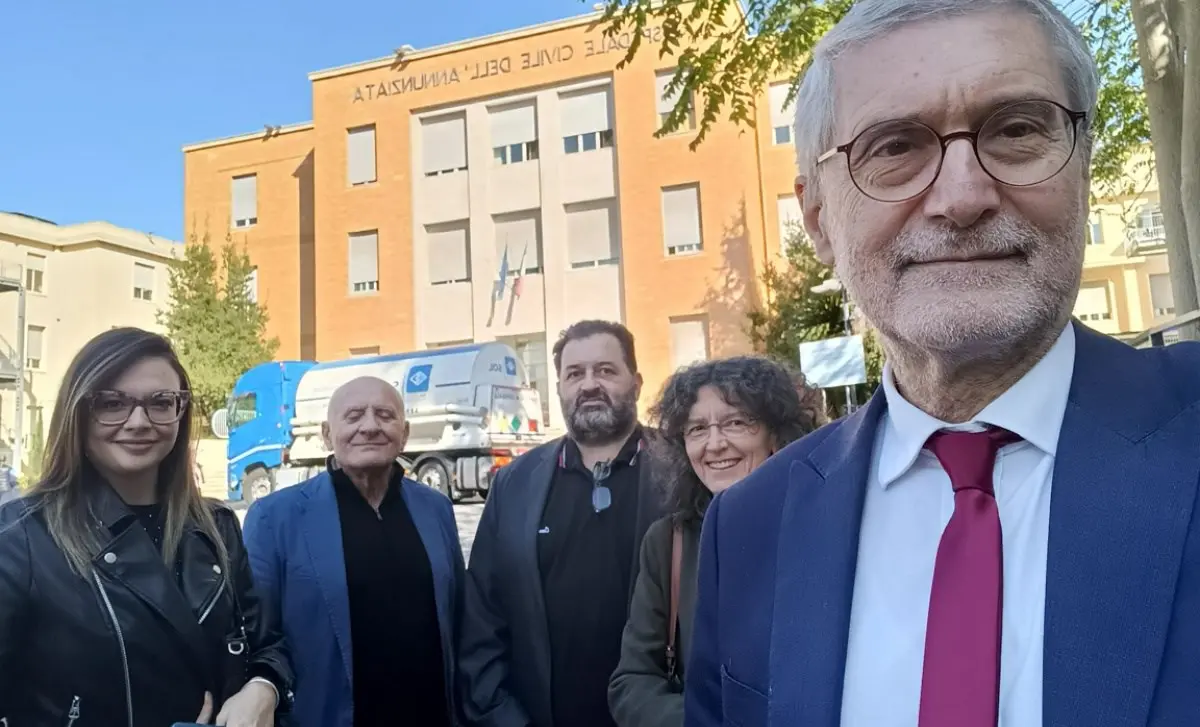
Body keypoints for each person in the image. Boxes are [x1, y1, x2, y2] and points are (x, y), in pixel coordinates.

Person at [684, 0, 1200, 725]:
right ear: (818, 219)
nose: (962, 197)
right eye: (895, 146)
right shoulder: (748, 530)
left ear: (1082, 166)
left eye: (1017, 129)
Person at [0, 327, 292, 727]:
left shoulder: (217, 529)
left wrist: (263, 688)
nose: (138, 421)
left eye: (160, 402)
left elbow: (267, 646)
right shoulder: (20, 538)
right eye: (112, 403)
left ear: (181, 412)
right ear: (78, 412)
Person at [460, 320, 666, 727]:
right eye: (575, 374)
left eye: (606, 370)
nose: (589, 384)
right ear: (559, 389)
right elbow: (482, 618)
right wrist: (503, 718)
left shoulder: (683, 470)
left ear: (637, 383)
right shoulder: (514, 484)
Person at [608, 356, 823, 727]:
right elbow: (632, 681)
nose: (715, 444)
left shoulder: (823, 527)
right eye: (696, 429)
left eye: (736, 423)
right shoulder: (667, 542)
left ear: (777, 434)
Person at [243, 376, 464, 727]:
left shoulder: (435, 508)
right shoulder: (275, 518)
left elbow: (459, 619)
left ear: (404, 433)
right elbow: (258, 637)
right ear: (327, 435)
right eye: (354, 415)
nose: (370, 426)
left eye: (384, 415)